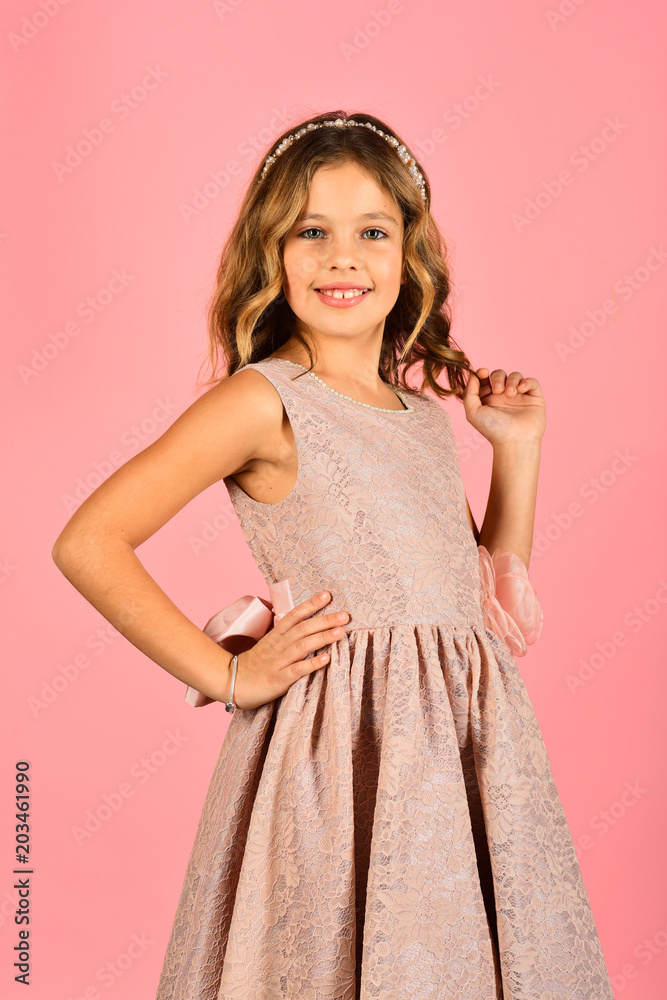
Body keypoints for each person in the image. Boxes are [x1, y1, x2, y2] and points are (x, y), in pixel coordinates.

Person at [52, 111, 614, 999]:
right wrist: (230, 676)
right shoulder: (262, 400)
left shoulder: (422, 419)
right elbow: (88, 542)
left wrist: (517, 447)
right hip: (339, 756)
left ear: (409, 256)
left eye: (371, 233)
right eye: (311, 232)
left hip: (463, 752)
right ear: (272, 254)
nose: (341, 258)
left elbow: (485, 607)